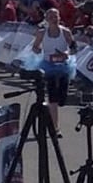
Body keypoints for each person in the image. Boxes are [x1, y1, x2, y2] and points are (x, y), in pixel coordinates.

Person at [31, 8, 76, 137]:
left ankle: (52, 119)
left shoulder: (66, 32)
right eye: (50, 17)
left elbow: (74, 48)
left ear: (59, 17)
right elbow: (35, 47)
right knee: (53, 98)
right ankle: (55, 128)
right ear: (46, 19)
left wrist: (65, 54)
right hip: (48, 66)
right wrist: (37, 50)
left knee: (62, 99)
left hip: (63, 66)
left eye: (55, 16)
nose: (53, 19)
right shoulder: (41, 33)